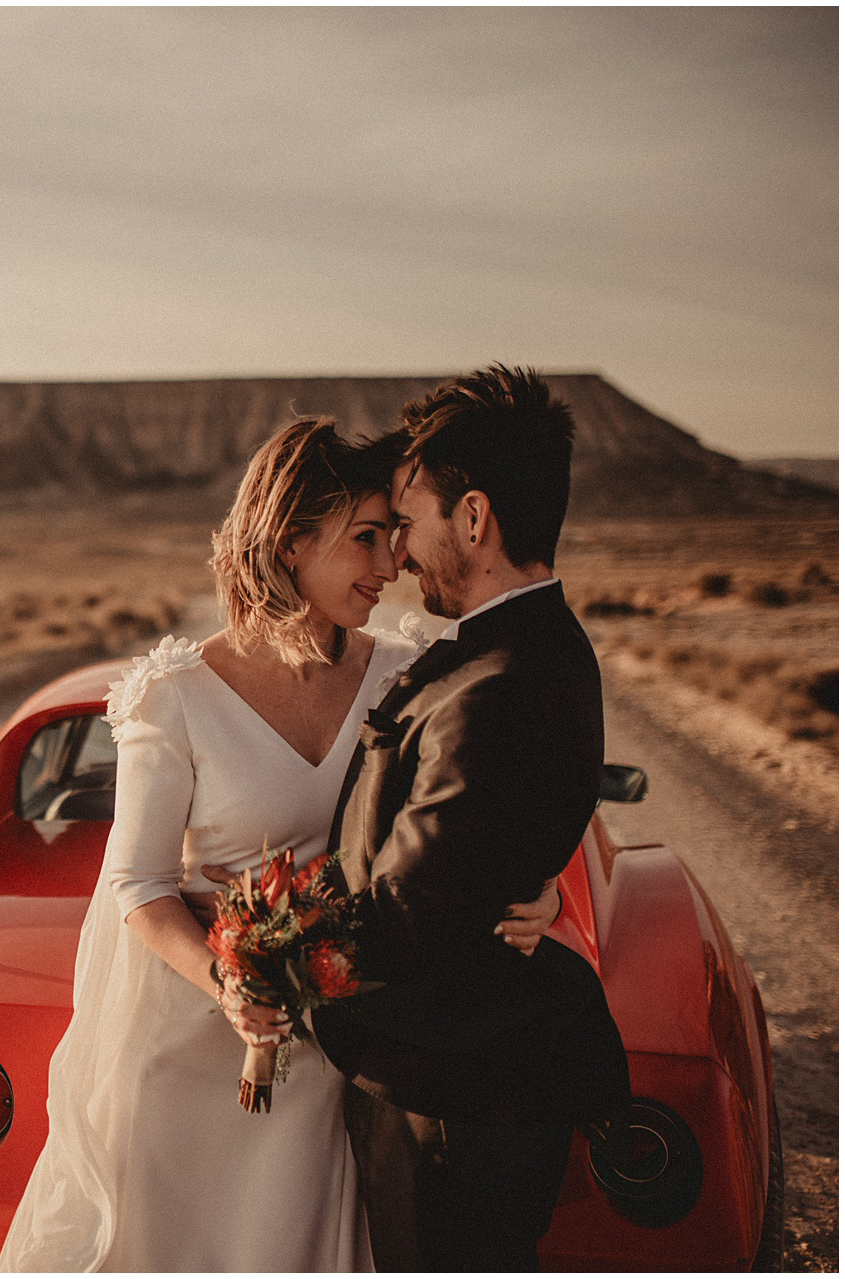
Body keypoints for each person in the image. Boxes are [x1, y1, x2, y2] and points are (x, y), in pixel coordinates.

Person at [0, 416, 559, 1272]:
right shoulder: (175, 694)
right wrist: (230, 981)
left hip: (345, 1055)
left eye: (396, 536)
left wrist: (537, 886)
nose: (390, 565)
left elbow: (474, 814)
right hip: (189, 1054)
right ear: (292, 540)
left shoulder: (408, 672)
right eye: (366, 538)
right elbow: (138, 883)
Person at [311, 365, 632, 1271]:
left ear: (477, 517)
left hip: (452, 1096)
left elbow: (409, 917)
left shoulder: (501, 688)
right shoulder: (530, 649)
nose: (401, 553)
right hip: (465, 1080)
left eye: (409, 523)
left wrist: (265, 959)